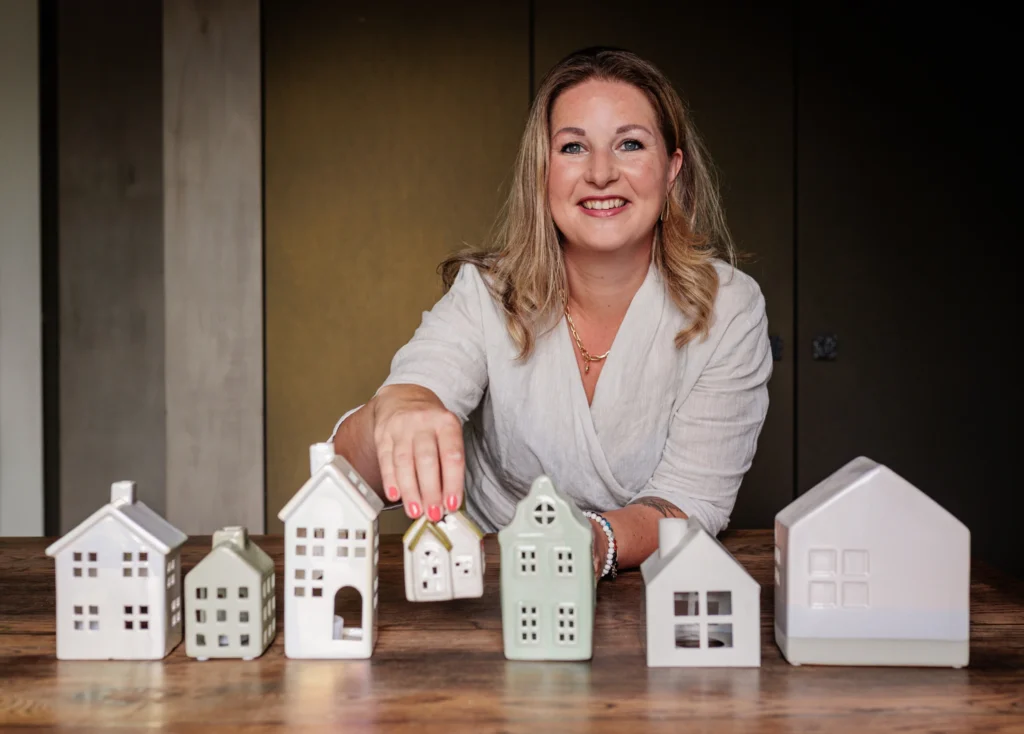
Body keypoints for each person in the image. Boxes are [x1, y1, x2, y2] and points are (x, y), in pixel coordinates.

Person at [331, 47, 772, 579]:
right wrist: (396, 407)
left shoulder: (730, 308)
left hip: (641, 590)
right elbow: (355, 467)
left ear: (672, 169)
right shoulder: (487, 293)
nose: (601, 173)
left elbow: (690, 501)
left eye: (630, 144)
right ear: (543, 172)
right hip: (488, 587)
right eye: (572, 148)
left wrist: (592, 542)